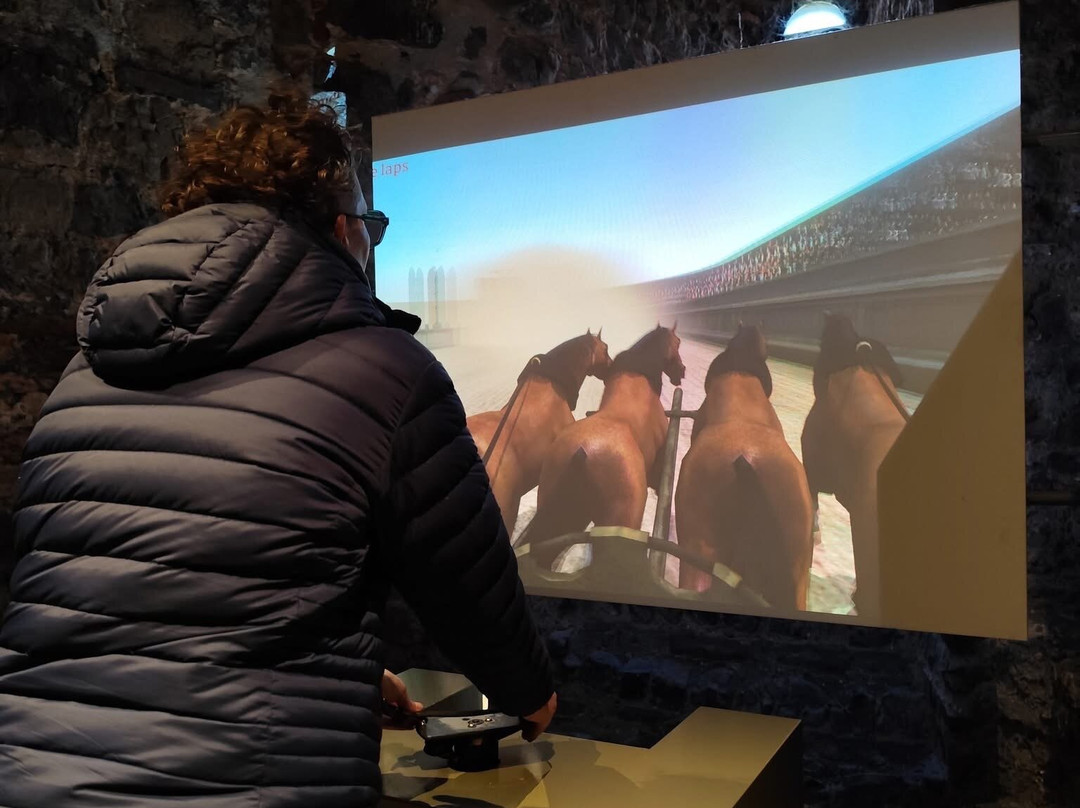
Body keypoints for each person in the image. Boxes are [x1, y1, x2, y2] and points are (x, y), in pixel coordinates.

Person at [0, 93, 557, 808]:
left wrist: (338, 678)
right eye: (373, 229)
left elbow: (106, 586)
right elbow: (466, 579)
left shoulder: (83, 374)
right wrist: (527, 692)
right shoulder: (385, 368)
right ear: (343, 229)